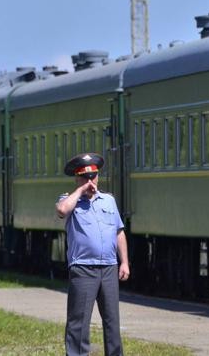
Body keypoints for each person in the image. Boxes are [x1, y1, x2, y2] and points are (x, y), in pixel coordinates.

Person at [56, 152, 130, 356]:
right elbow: (62, 210)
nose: (91, 181)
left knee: (112, 322)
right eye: (85, 178)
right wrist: (80, 191)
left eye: (93, 176)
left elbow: (119, 232)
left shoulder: (108, 201)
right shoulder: (69, 200)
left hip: (108, 267)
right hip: (83, 268)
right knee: (79, 322)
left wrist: (124, 262)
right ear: (77, 178)